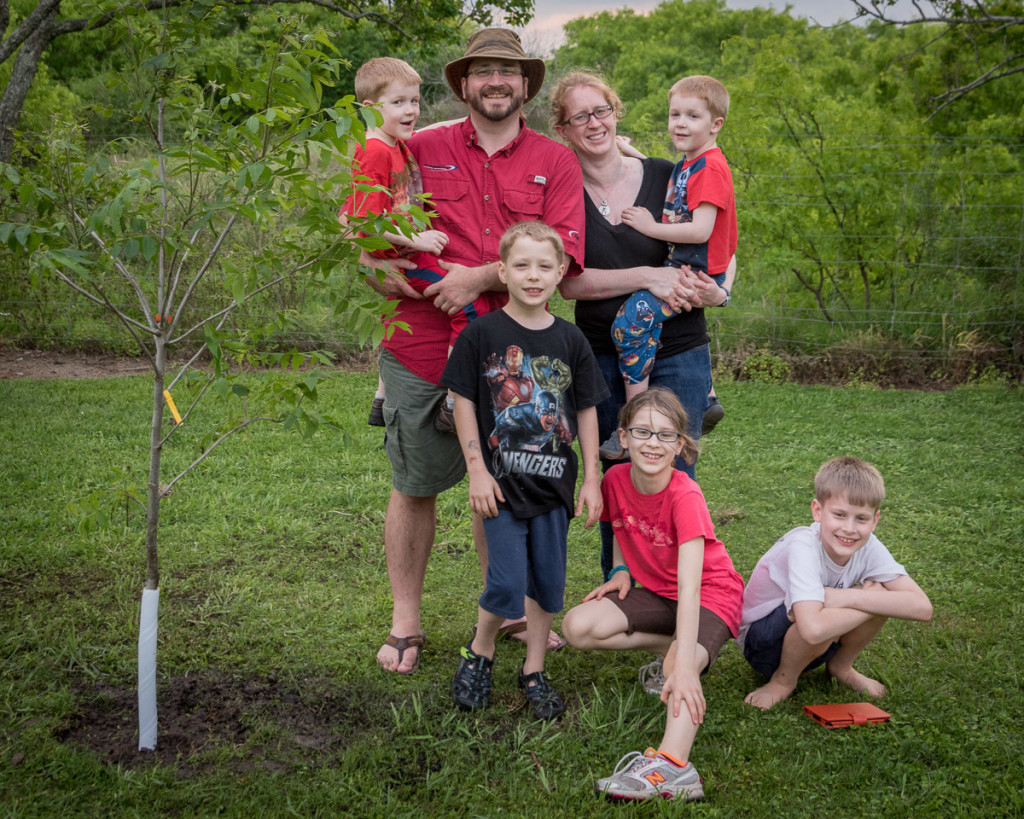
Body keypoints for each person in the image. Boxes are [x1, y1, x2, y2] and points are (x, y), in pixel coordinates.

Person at [364, 30, 585, 674]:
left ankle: (510, 608)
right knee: (415, 484)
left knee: (512, 483)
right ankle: (407, 619)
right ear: (462, 83)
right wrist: (375, 271)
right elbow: (371, 226)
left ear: (526, 86)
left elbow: (567, 254)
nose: (496, 81)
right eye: (483, 70)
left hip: (517, 355)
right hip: (423, 342)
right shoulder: (415, 147)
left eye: (508, 72)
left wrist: (476, 278)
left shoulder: (555, 160)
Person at [550, 70, 729, 579]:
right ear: (563, 128)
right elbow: (569, 285)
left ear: (616, 112)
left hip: (678, 352)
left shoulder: (666, 174)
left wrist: (718, 292)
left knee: (674, 473)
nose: (594, 123)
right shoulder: (564, 194)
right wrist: (648, 275)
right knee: (618, 475)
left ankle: (677, 594)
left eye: (601, 110)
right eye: (579, 116)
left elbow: (714, 241)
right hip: (601, 356)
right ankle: (622, 588)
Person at [442, 220, 606, 719]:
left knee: (549, 581)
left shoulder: (571, 340)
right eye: (521, 266)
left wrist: (593, 478)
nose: (532, 276)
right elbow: (463, 400)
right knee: (507, 581)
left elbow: (585, 410)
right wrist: (476, 470)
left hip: (554, 483)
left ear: (560, 273)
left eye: (543, 266)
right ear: (502, 271)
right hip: (501, 485)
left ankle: (534, 669)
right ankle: (480, 652)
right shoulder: (481, 334)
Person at [561, 388, 743, 801]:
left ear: (680, 446)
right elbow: (622, 524)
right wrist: (622, 568)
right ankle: (679, 653)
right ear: (623, 438)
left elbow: (692, 586)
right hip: (659, 593)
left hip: (711, 595)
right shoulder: (614, 479)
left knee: (682, 664)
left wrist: (683, 657)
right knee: (578, 626)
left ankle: (676, 768)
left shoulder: (686, 496)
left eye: (665, 435)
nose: (652, 443)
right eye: (642, 432)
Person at [600, 75, 737, 458]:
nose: (680, 122)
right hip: (689, 269)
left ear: (716, 124)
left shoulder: (709, 168)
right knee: (648, 328)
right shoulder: (693, 163)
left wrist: (650, 226)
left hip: (693, 274)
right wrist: (630, 150)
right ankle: (706, 395)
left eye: (692, 116)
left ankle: (632, 424)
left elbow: (701, 228)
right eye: (675, 113)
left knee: (628, 326)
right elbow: (676, 184)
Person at [739, 457, 933, 710]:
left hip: (815, 642)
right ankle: (782, 682)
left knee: (879, 596)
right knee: (875, 600)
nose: (849, 529)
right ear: (817, 511)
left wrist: (849, 597)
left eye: (861, 519)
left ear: (875, 521)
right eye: (839, 515)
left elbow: (922, 608)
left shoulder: (870, 546)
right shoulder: (803, 546)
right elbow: (813, 629)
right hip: (762, 643)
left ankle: (840, 667)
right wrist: (871, 602)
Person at [340, 57, 464, 429]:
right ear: (369, 109)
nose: (411, 110)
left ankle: (381, 398)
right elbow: (362, 218)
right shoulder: (376, 151)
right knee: (466, 305)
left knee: (398, 315)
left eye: (415, 100)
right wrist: (418, 238)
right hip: (401, 253)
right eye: (399, 102)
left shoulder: (394, 143)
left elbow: (431, 128)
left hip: (402, 250)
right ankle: (453, 402)